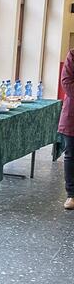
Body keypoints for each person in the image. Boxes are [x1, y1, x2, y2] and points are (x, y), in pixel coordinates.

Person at [59, 48, 74, 209]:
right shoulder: (73, 55)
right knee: (71, 154)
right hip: (72, 114)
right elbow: (66, 82)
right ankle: (72, 195)